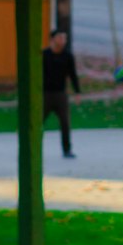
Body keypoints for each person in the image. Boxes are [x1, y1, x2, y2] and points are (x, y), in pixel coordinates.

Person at [42, 29, 79, 159]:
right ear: (52, 39)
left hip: (60, 95)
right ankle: (34, 148)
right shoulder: (44, 55)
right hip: (45, 94)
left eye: (65, 38)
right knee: (38, 122)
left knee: (65, 123)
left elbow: (73, 75)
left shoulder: (68, 56)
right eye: (60, 38)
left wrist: (77, 92)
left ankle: (67, 149)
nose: (63, 41)